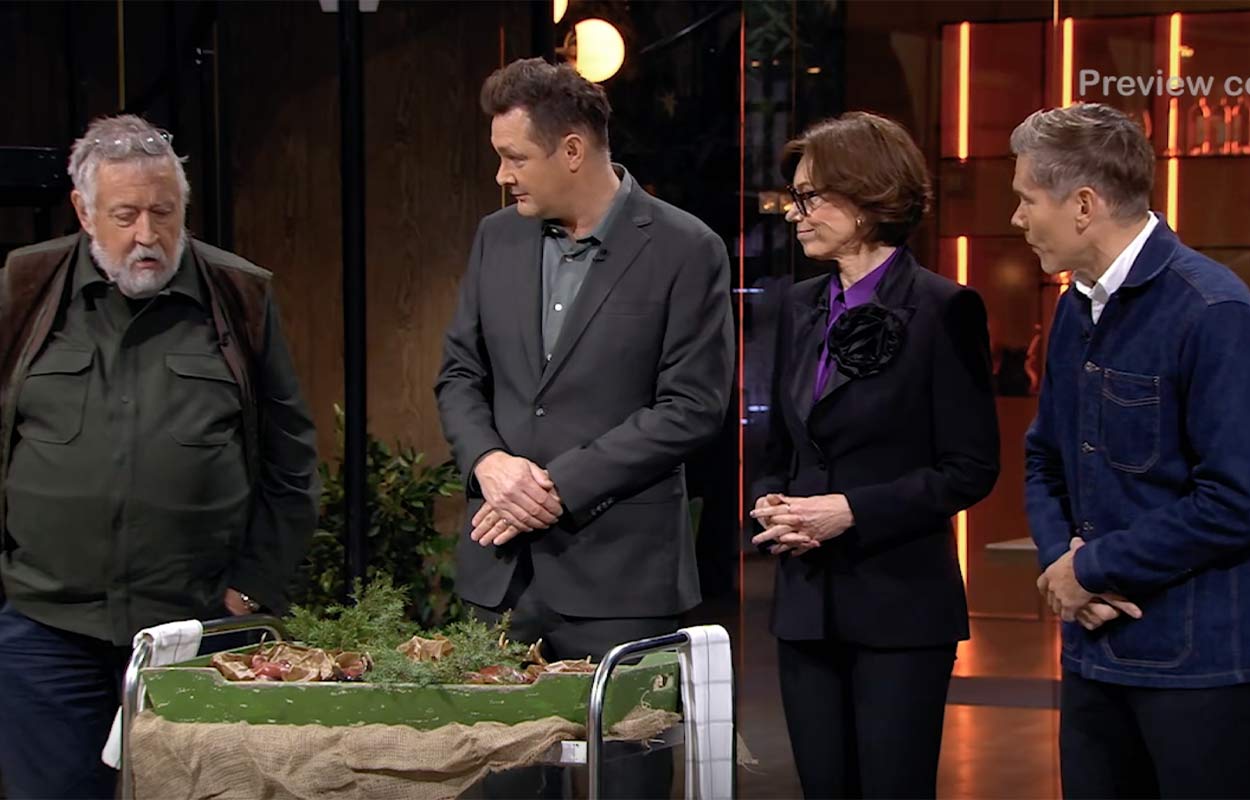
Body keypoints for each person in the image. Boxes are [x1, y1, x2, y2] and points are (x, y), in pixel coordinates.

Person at [435, 57, 733, 798]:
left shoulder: (686, 247)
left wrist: (555, 487)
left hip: (622, 580)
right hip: (499, 578)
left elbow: (692, 405)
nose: (502, 175)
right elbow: (460, 374)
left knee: (624, 784)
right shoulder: (496, 238)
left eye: (514, 157)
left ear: (571, 149)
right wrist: (490, 463)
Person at [0, 114, 319, 799]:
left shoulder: (238, 296)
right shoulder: (24, 288)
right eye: (125, 215)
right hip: (46, 632)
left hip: (196, 629)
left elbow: (291, 462)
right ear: (84, 211)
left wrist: (252, 588)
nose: (147, 235)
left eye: (164, 213)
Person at [750, 111, 1000, 799]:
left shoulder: (945, 309)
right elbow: (780, 449)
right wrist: (771, 502)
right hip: (806, 606)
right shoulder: (797, 305)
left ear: (866, 198)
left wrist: (850, 511)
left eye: (809, 197)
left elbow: (970, 469)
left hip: (900, 607)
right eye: (794, 197)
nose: (793, 214)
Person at [1018, 103, 1250, 799]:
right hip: (1091, 653)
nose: (1017, 218)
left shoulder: (1212, 310)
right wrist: (1062, 567)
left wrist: (1093, 568)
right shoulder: (1073, 307)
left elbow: (1234, 500)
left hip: (1194, 671)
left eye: (1027, 199)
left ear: (1083, 205)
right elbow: (1044, 459)